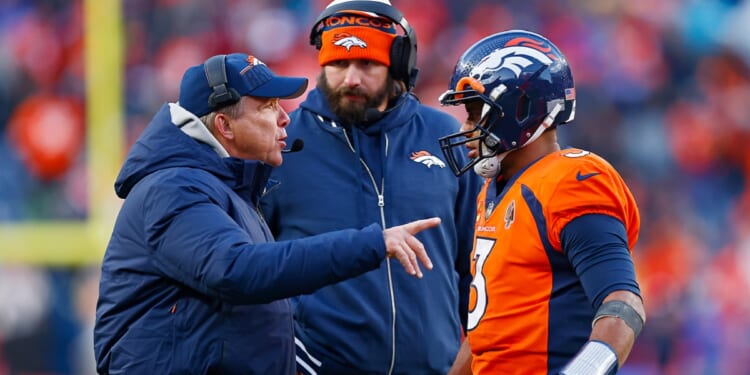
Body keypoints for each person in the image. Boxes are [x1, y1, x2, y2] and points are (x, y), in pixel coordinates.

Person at [93, 52, 443, 375]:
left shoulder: (224, 189)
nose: (284, 117)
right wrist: (371, 243)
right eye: (268, 106)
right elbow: (238, 270)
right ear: (224, 126)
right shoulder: (174, 188)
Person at [259, 1, 481, 374]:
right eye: (338, 64)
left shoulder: (445, 138)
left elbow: (475, 271)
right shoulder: (281, 144)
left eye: (366, 64)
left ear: (397, 66)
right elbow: (251, 271)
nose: (351, 78)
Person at [438, 30, 646, 375]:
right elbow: (488, 333)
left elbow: (623, 303)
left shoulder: (571, 180)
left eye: (476, 113)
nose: (467, 126)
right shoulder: (491, 192)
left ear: (519, 109)